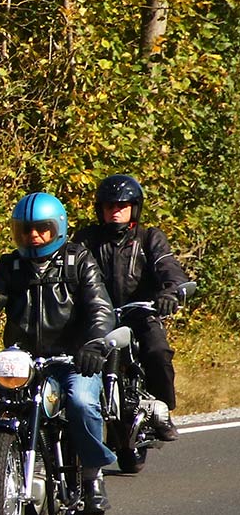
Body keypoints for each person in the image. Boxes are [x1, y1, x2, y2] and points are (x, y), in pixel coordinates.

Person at [0, 191, 117, 515]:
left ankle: (93, 477)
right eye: (25, 230)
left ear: (58, 229)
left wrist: (94, 344)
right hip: (20, 361)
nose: (33, 236)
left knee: (81, 400)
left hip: (73, 359)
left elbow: (100, 308)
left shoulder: (79, 261)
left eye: (42, 229)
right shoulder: (12, 267)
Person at [71, 173, 189, 441]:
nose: (115, 211)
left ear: (134, 208)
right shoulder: (86, 240)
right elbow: (71, 273)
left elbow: (168, 268)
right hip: (97, 316)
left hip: (140, 313)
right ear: (100, 209)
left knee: (157, 350)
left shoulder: (149, 238)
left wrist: (170, 292)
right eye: (110, 206)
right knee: (73, 359)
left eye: (122, 206)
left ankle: (163, 411)